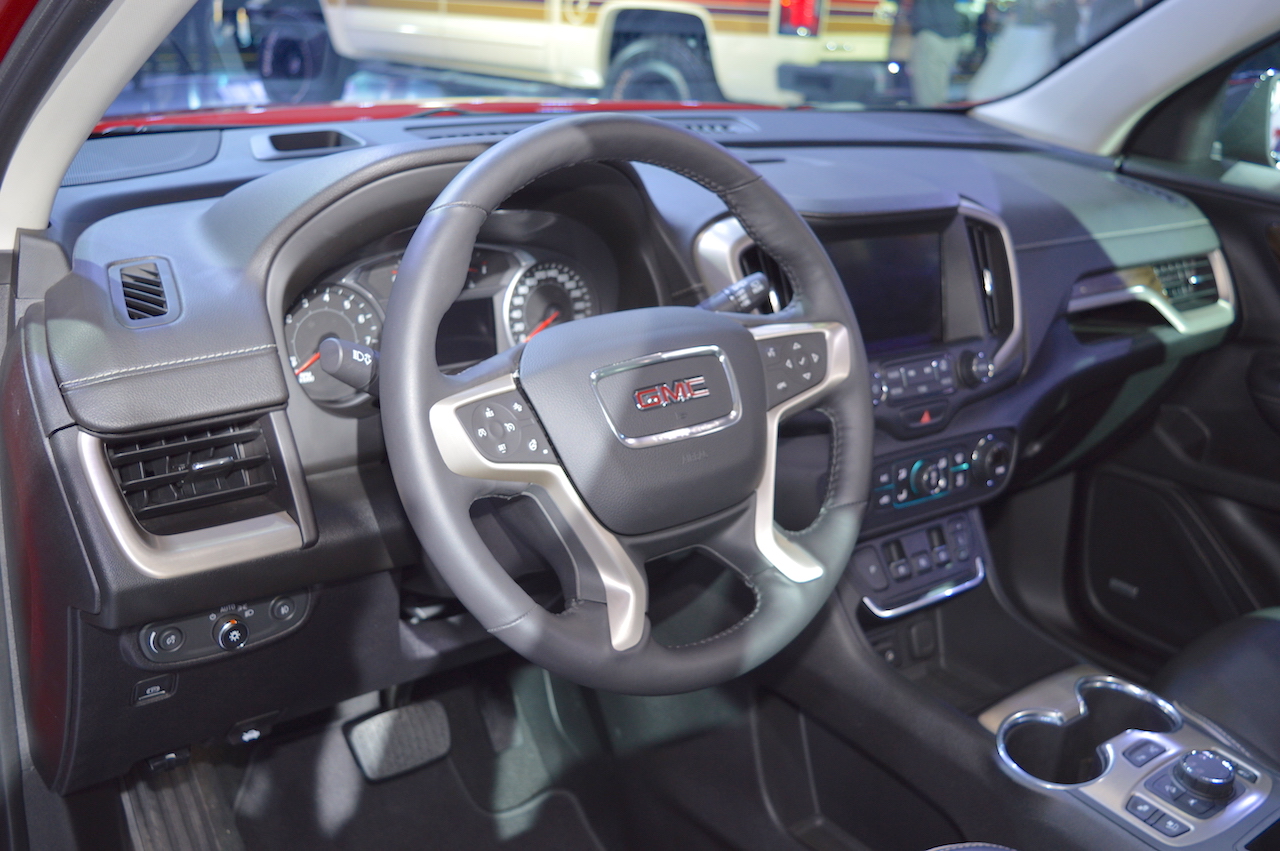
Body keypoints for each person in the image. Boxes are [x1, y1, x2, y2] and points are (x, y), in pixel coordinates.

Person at [909, 0, 965, 107]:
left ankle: (929, 120)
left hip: (933, 32)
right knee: (938, 87)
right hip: (950, 33)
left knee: (927, 94)